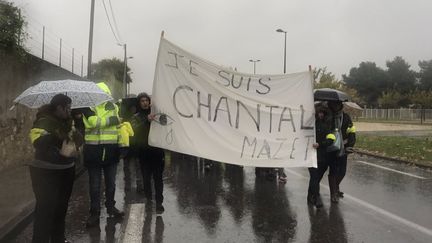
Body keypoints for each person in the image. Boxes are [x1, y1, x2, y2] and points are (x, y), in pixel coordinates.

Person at [29, 94, 83, 243]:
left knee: (61, 209)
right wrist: (57, 135)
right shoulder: (43, 121)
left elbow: (76, 139)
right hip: (46, 171)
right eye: (68, 108)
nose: (70, 111)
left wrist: (77, 136)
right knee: (45, 210)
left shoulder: (68, 122)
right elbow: (37, 142)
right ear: (60, 107)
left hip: (66, 169)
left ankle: (58, 239)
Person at [82, 82, 124, 228]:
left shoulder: (114, 107)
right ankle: (94, 213)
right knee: (94, 186)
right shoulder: (88, 108)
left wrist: (121, 146)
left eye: (103, 94)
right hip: (93, 153)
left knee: (111, 184)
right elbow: (93, 122)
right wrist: (113, 120)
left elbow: (118, 129)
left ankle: (111, 207)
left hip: (111, 152)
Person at [131, 92, 165, 214]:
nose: (145, 103)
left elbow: (165, 125)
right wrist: (147, 120)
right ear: (139, 103)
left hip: (157, 152)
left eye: (147, 100)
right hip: (144, 153)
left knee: (158, 179)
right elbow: (135, 129)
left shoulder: (156, 114)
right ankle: (149, 199)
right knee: (146, 179)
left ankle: (159, 202)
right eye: (142, 101)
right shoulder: (136, 116)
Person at [327, 100, 356, 201]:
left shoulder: (346, 117)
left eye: (337, 104)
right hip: (331, 149)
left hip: (343, 148)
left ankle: (336, 187)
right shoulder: (328, 116)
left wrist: (350, 145)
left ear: (341, 105)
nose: (335, 106)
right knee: (333, 172)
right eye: (333, 104)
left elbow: (351, 131)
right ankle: (333, 193)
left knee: (342, 172)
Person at [308, 102, 334, 208]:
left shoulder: (327, 125)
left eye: (322, 113)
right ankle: (317, 197)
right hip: (310, 156)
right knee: (314, 177)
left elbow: (331, 139)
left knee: (317, 178)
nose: (321, 115)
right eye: (319, 112)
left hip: (322, 156)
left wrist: (320, 144)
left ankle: (310, 195)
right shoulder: (308, 124)